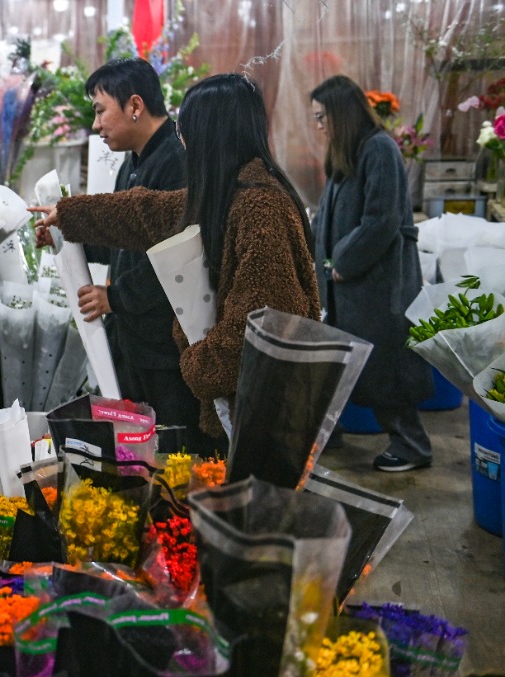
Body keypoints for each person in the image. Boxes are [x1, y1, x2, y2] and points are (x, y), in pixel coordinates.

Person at [31, 73, 320, 439]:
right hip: (233, 397)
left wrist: (198, 365)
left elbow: (261, 321)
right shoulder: (229, 193)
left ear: (212, 135)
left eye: (188, 132)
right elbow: (148, 213)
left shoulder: (260, 206)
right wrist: (71, 217)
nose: (183, 142)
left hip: (261, 409)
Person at [74, 57, 215, 451]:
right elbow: (126, 236)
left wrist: (114, 297)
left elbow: (178, 257)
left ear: (135, 106)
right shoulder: (136, 162)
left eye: (101, 111)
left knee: (177, 450)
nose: (96, 125)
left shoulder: (175, 161)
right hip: (139, 340)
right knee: (146, 448)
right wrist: (72, 236)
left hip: (167, 348)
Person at [310, 75, 433, 472]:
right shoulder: (349, 152)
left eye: (321, 117)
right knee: (341, 366)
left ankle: (412, 446)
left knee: (387, 370)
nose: (318, 126)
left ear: (341, 115)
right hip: (351, 286)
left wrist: (342, 264)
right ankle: (327, 435)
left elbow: (381, 220)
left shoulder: (379, 149)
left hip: (378, 285)